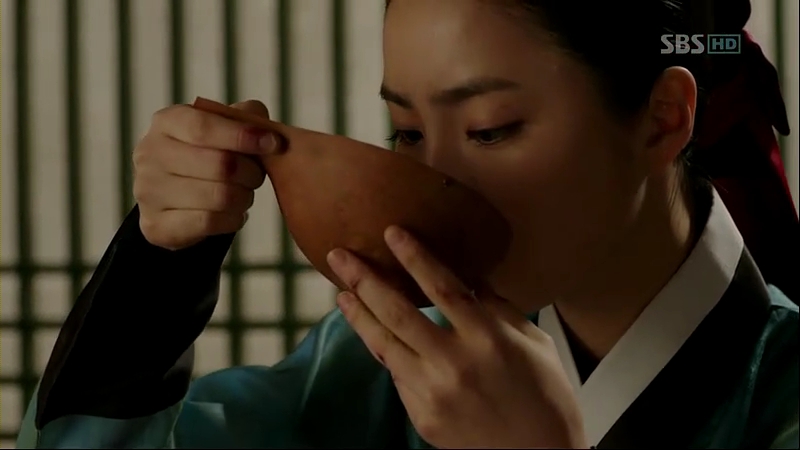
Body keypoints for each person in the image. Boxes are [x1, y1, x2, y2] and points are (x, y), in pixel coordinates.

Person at [15, 0, 799, 448]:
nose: (436, 178)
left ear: (662, 119)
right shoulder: (391, 358)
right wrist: (162, 263)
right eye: (408, 132)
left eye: (490, 129)